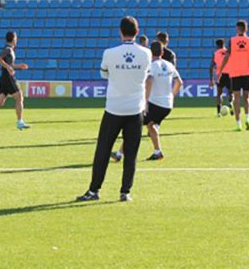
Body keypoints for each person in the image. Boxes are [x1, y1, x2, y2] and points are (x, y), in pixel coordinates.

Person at [77, 17, 151, 203]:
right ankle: (125, 192)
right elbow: (146, 74)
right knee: (131, 153)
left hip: (114, 108)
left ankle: (94, 190)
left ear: (120, 31)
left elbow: (104, 74)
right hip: (135, 109)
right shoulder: (146, 54)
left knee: (103, 150)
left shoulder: (109, 53)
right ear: (137, 31)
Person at [111, 41, 181, 162]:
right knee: (150, 125)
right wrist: (171, 96)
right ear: (163, 52)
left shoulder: (152, 66)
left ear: (149, 52)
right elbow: (179, 82)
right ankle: (157, 152)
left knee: (133, 126)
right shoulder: (169, 65)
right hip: (167, 105)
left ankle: (119, 154)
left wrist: (146, 101)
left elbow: (149, 80)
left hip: (155, 103)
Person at [0, 31, 31, 131]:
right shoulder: (7, 49)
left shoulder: (10, 50)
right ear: (13, 39)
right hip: (8, 78)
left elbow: (9, 65)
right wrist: (8, 67)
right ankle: (20, 122)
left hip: (3, 78)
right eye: (16, 38)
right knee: (19, 97)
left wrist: (18, 67)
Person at [219, 20, 249, 132]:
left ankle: (238, 124)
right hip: (247, 72)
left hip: (235, 73)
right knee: (246, 97)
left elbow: (226, 56)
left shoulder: (232, 40)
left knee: (236, 98)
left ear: (237, 29)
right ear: (246, 29)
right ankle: (248, 119)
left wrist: (221, 70)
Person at [209, 38, 234, 117]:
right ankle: (230, 103)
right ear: (224, 44)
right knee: (231, 93)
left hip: (220, 75)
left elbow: (211, 67)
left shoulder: (215, 53)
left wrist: (211, 80)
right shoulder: (228, 52)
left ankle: (219, 112)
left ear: (217, 45)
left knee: (219, 94)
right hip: (229, 74)